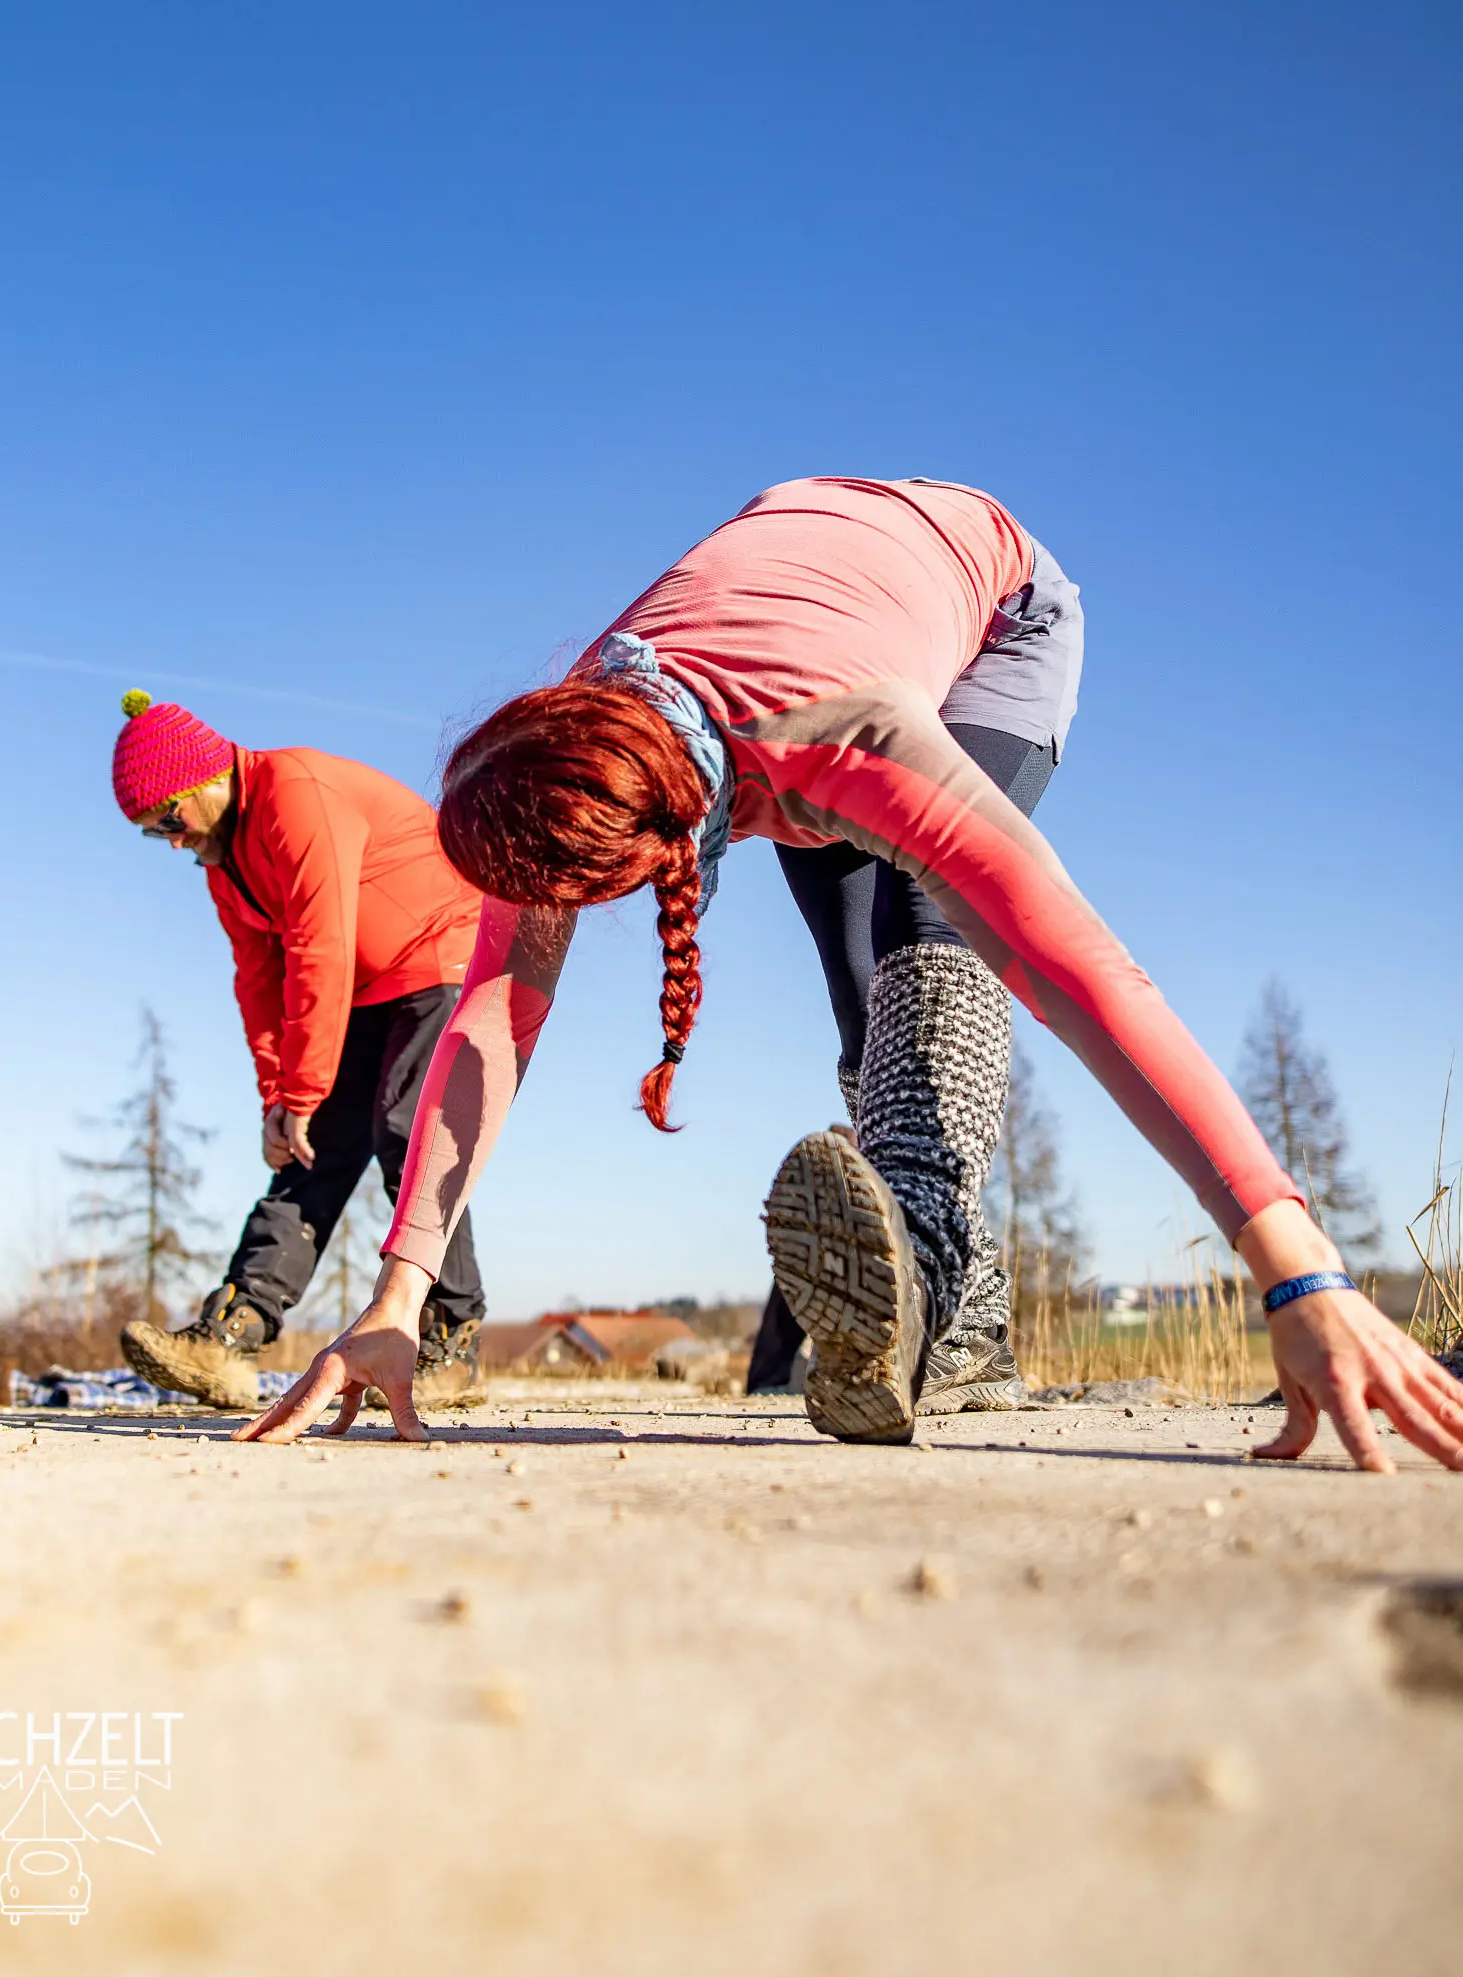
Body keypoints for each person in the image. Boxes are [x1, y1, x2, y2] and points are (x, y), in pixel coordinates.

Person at [239, 476, 1463, 1472]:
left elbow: (1082, 971)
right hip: (800, 564)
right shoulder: (579, 744)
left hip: (995, 613)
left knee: (936, 941)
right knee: (866, 1009)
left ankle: (929, 1276)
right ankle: (963, 1323)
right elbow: (489, 1028)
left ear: (671, 846)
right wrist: (395, 1300)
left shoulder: (851, 740)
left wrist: (1296, 1267)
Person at [109, 689, 488, 1411]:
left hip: (440, 948)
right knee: (311, 1150)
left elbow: (321, 943)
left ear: (208, 781)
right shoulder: (225, 863)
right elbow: (259, 978)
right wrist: (281, 1102)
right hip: (361, 984)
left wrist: (302, 1091)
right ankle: (233, 1331)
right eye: (153, 834)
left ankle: (450, 1336)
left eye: (171, 819)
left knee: (405, 1132)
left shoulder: (296, 795)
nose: (173, 840)